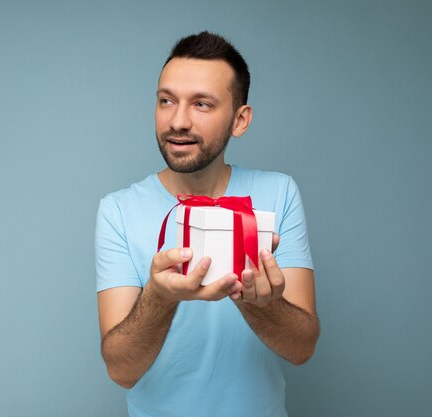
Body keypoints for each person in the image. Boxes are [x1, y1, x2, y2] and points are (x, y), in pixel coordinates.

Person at [95, 31, 319, 417]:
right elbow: (121, 369)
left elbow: (302, 348)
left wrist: (260, 304)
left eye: (202, 104)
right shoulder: (117, 209)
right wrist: (160, 297)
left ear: (240, 119)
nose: (178, 121)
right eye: (166, 101)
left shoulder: (279, 192)